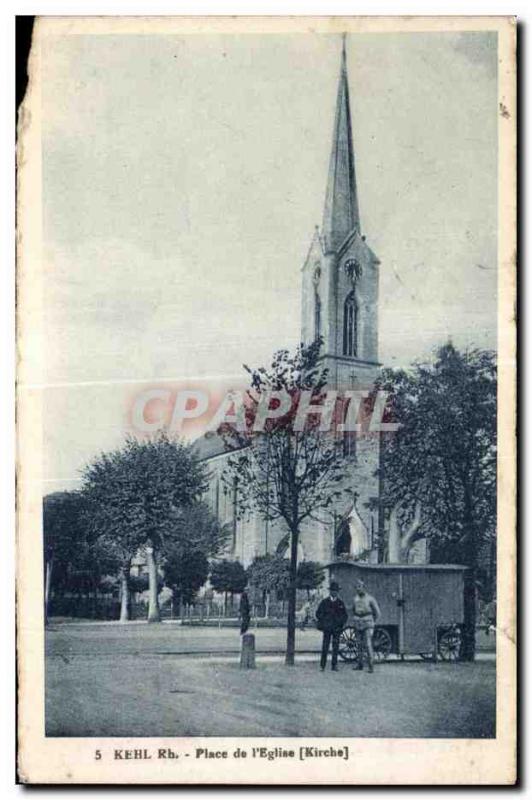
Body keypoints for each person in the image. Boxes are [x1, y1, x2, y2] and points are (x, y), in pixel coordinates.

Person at [315, 581, 348, 672]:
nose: (334, 592)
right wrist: (325, 621)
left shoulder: (340, 603)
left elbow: (345, 616)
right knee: (325, 647)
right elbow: (318, 613)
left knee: (336, 647)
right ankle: (322, 666)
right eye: (333, 590)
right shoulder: (324, 602)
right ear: (330, 591)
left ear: (338, 592)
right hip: (327, 628)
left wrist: (340, 623)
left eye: (336, 591)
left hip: (336, 629)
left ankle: (334, 665)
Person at [352, 579, 381, 673]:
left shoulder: (370, 599)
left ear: (364, 588)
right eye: (356, 587)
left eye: (360, 587)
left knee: (368, 645)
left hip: (368, 623)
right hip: (357, 623)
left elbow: (377, 613)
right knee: (359, 645)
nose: (358, 589)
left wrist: (373, 623)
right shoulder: (355, 599)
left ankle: (371, 666)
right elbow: (353, 610)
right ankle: (360, 664)